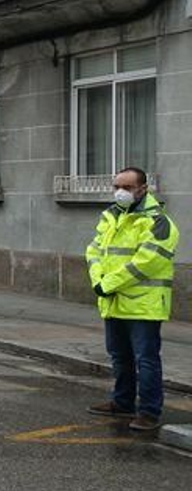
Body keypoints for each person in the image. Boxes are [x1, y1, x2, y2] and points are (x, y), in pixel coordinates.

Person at [85, 167, 179, 432]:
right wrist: (98, 280)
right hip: (114, 300)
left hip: (143, 304)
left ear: (143, 189)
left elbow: (146, 262)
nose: (120, 192)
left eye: (127, 187)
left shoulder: (159, 222)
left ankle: (149, 412)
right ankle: (122, 402)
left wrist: (108, 283)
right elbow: (94, 250)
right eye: (117, 186)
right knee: (119, 356)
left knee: (146, 359)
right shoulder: (111, 216)